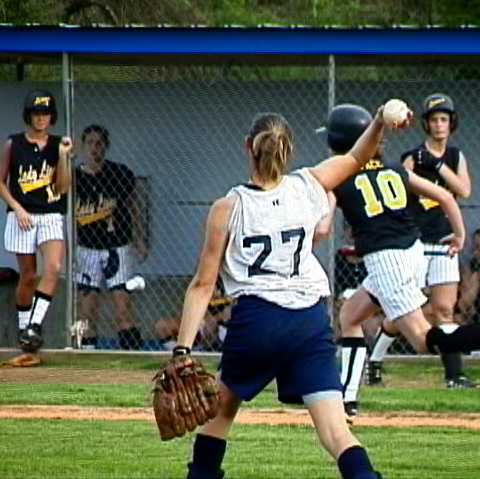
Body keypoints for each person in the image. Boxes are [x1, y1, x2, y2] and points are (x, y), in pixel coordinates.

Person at [171, 107, 408, 479]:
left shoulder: (227, 208)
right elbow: (356, 157)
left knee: (220, 413)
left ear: (248, 146)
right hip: (309, 321)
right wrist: (378, 120)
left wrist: (182, 349)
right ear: (289, 150)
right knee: (336, 432)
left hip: (257, 320)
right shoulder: (308, 184)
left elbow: (203, 285)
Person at [325, 104, 480, 426]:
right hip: (412, 252)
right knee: (350, 315)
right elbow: (446, 197)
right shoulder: (394, 168)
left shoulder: (338, 176)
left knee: (423, 339)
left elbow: (323, 228)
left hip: (386, 260)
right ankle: (347, 399)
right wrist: (460, 236)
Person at [368, 93, 475, 388]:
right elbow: (399, 189)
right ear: (426, 124)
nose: (439, 125)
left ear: (451, 123)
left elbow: (464, 190)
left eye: (444, 119)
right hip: (414, 242)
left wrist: (437, 166)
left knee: (444, 310)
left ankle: (454, 375)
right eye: (434, 120)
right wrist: (423, 165)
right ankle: (375, 360)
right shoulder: (413, 157)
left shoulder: (454, 157)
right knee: (404, 310)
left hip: (444, 240)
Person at [0, 90, 72, 353]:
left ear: (52, 116)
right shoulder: (14, 143)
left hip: (50, 212)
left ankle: (34, 326)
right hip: (23, 215)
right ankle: (23, 330)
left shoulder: (58, 144)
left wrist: (63, 156)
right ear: (28, 116)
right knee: (28, 276)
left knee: (53, 266)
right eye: (36, 113)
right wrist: (17, 208)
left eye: (46, 113)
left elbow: (63, 187)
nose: (41, 118)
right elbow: (1, 181)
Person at [74, 124, 147, 350]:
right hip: (87, 248)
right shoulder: (75, 177)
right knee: (87, 307)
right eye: (90, 143)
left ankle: (131, 354)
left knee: (122, 306)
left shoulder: (119, 173)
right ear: (83, 146)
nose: (94, 148)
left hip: (117, 246)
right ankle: (85, 352)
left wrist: (139, 239)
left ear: (106, 146)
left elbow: (134, 207)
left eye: (99, 143)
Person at [457, 228, 480, 325]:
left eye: (479, 248)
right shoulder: (472, 265)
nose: (475, 252)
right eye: (475, 247)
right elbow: (464, 303)